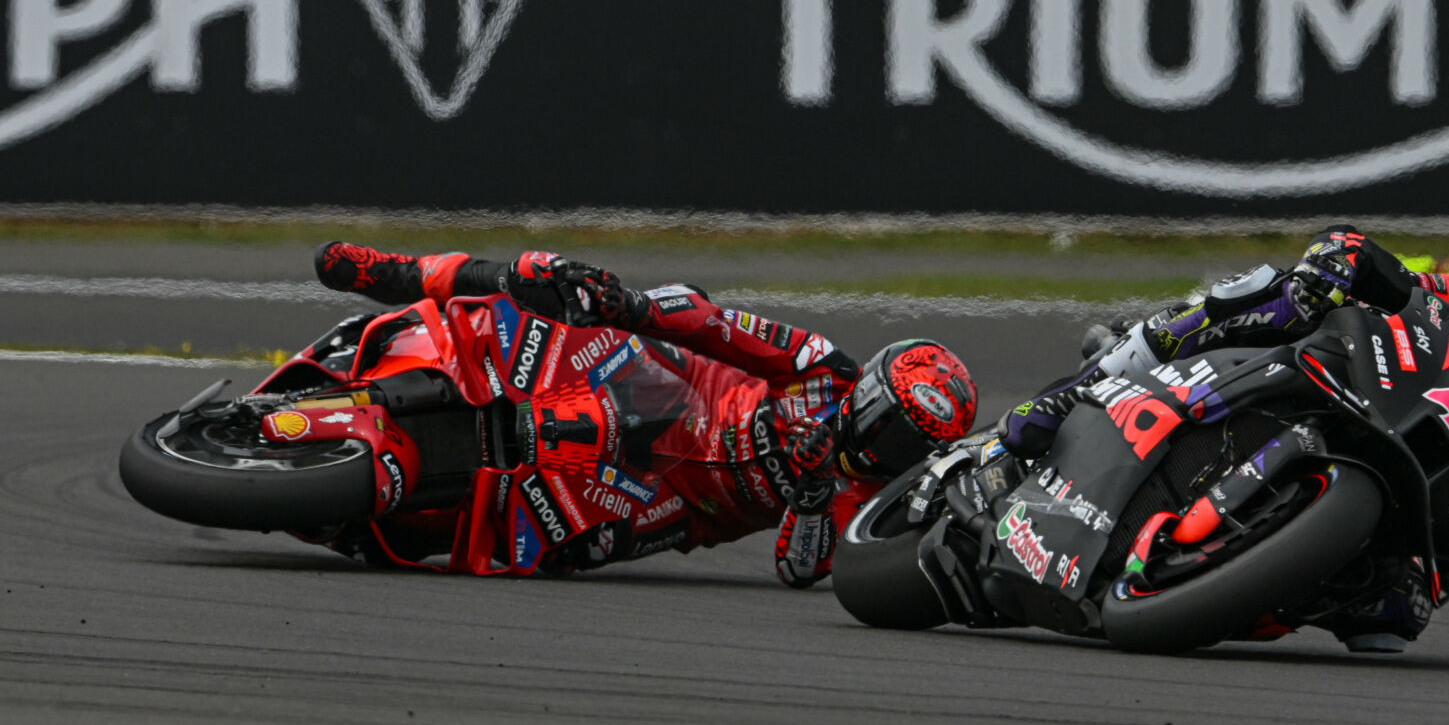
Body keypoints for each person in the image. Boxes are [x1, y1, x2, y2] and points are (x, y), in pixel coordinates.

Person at [998, 227, 1449, 652]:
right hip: (1362, 380)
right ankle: (1096, 376)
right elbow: (1403, 282)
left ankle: (1236, 579)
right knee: (1273, 291)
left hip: (1416, 497)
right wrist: (1344, 256)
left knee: (1394, 623)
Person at [311, 241, 978, 587]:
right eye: (886, 422)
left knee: (562, 549)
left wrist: (807, 494)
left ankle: (373, 531)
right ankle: (395, 273)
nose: (883, 447)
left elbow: (801, 570)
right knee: (549, 279)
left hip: (675, 501)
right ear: (869, 392)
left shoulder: (863, 500)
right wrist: (628, 306)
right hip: (669, 387)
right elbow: (719, 327)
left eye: (903, 446)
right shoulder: (823, 368)